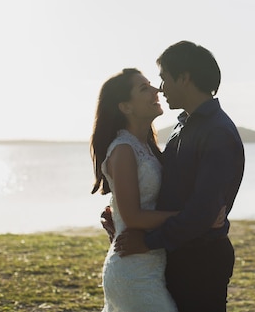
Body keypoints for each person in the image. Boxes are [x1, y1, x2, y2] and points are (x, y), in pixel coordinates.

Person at [112, 41, 245, 312]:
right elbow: (166, 186)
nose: (160, 88)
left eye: (164, 79)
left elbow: (203, 212)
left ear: (184, 78)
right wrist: (121, 215)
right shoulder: (183, 125)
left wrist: (145, 242)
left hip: (202, 259)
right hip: (177, 254)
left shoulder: (216, 132)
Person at [90, 68, 179, 312]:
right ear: (125, 107)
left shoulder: (145, 146)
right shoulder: (123, 149)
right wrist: (189, 217)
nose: (156, 90)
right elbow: (132, 217)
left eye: (151, 85)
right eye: (144, 88)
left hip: (149, 267)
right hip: (132, 274)